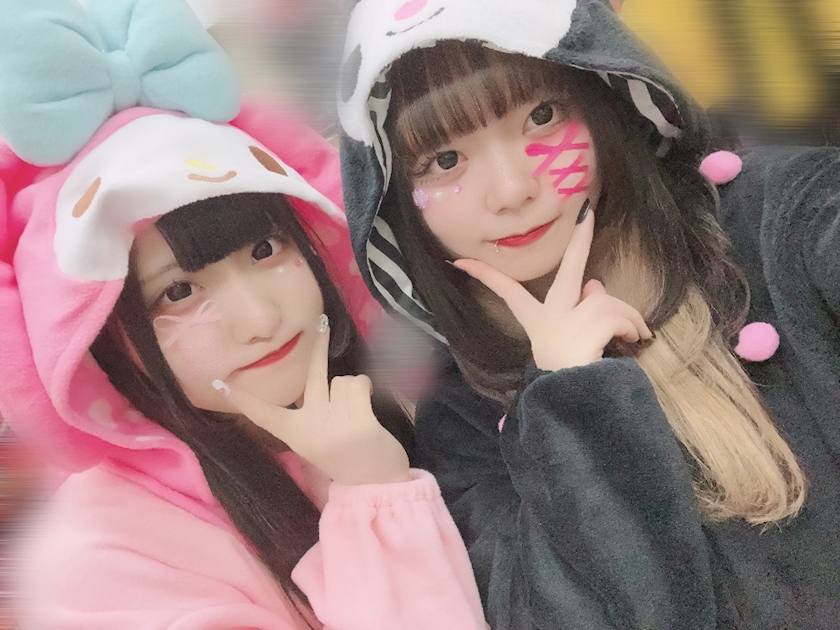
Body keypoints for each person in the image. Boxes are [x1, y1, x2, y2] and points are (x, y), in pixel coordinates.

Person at [336, 0, 840, 628]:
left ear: (604, 97)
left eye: (541, 116)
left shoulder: (776, 221)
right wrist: (572, 401)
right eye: (445, 160)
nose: (513, 190)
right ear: (396, 207)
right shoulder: (464, 424)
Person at [0, 1, 486, 628]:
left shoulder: (407, 396)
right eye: (178, 292)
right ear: (96, 343)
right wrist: (376, 495)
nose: (259, 319)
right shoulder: (102, 565)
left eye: (264, 250)